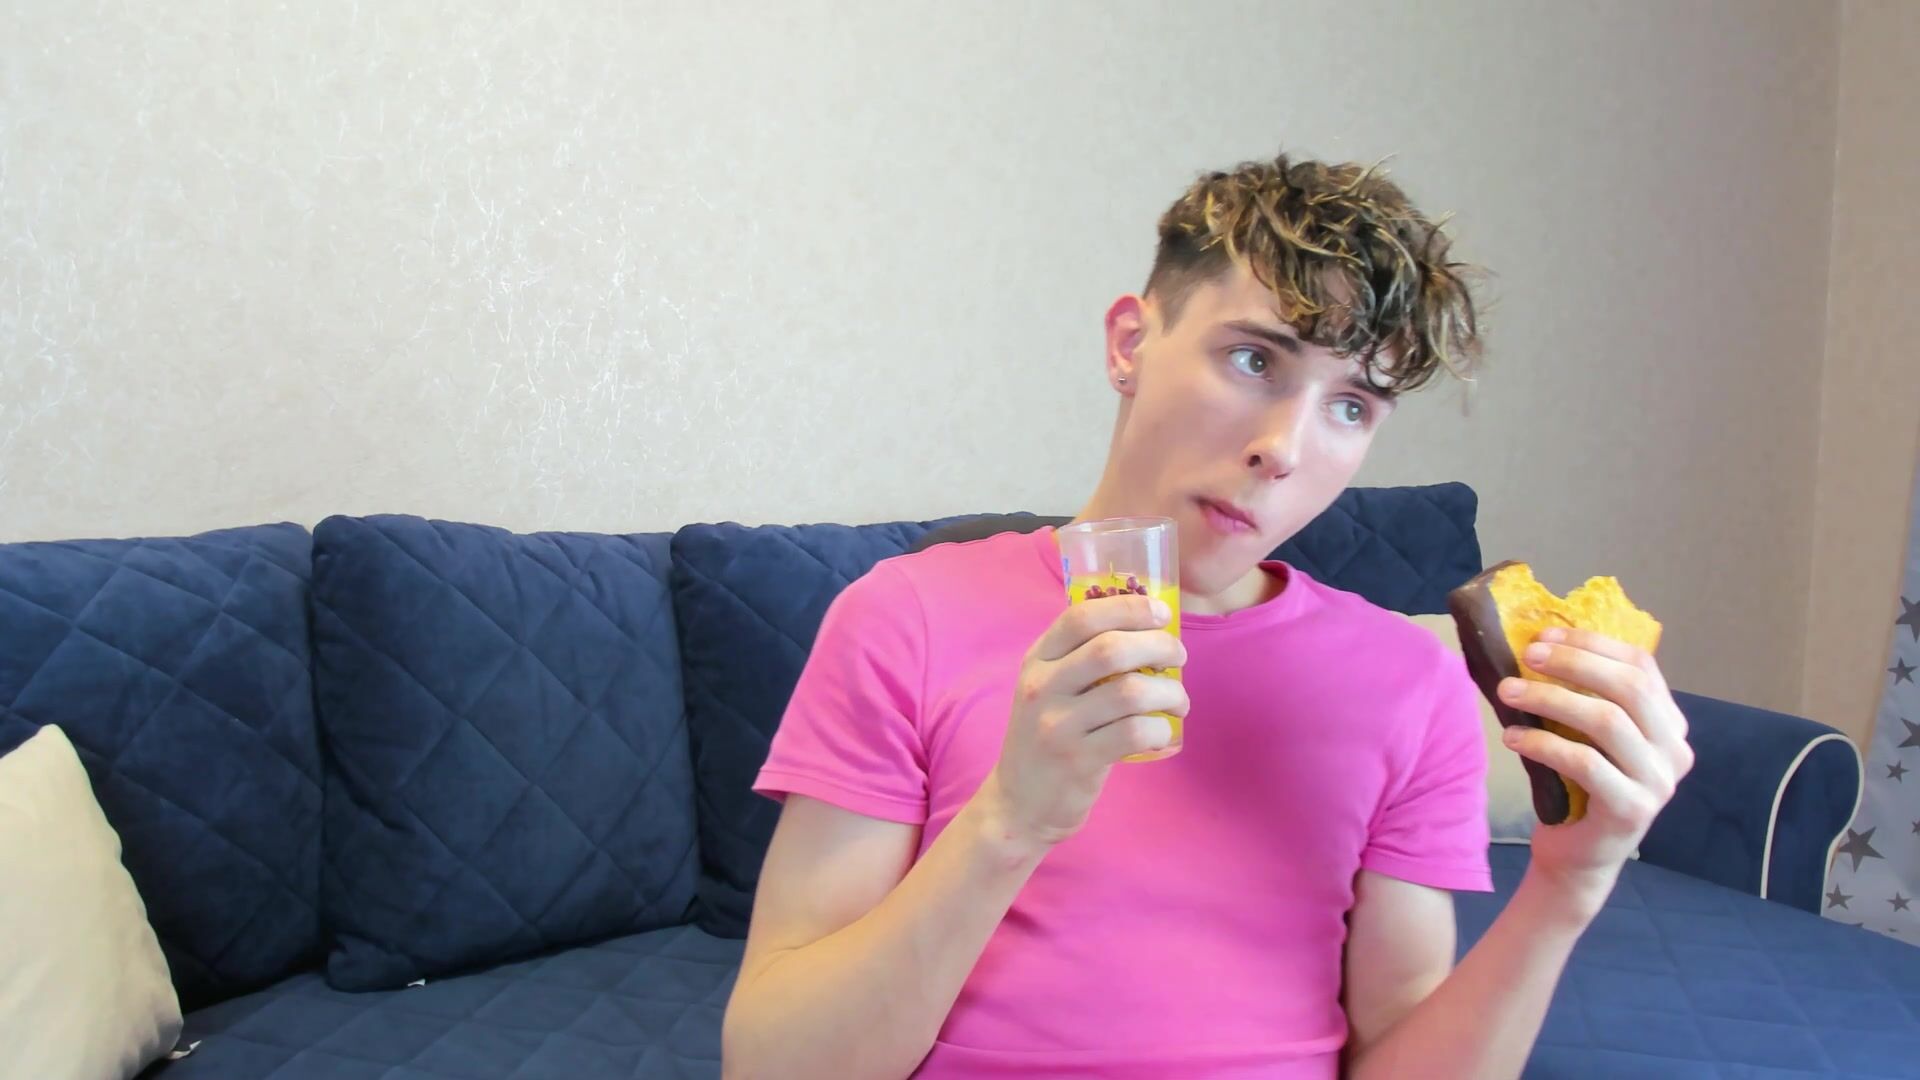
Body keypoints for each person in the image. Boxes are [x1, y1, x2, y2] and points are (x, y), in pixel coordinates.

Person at [719, 151, 1695, 1079]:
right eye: (1253, 359)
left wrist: (1571, 882)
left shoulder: (1411, 681)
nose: (1284, 449)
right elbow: (773, 1065)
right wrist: (1010, 822)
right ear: (1130, 344)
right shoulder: (905, 619)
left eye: (1351, 406)